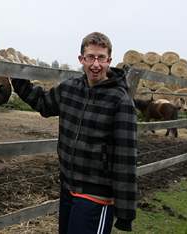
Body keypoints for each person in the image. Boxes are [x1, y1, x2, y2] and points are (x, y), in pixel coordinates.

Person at [11, 32, 137, 233]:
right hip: (68, 187)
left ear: (109, 60)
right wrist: (19, 80)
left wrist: (125, 213)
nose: (95, 64)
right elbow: (43, 103)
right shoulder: (70, 89)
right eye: (90, 57)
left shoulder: (120, 101)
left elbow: (126, 157)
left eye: (101, 58)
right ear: (81, 59)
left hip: (97, 195)